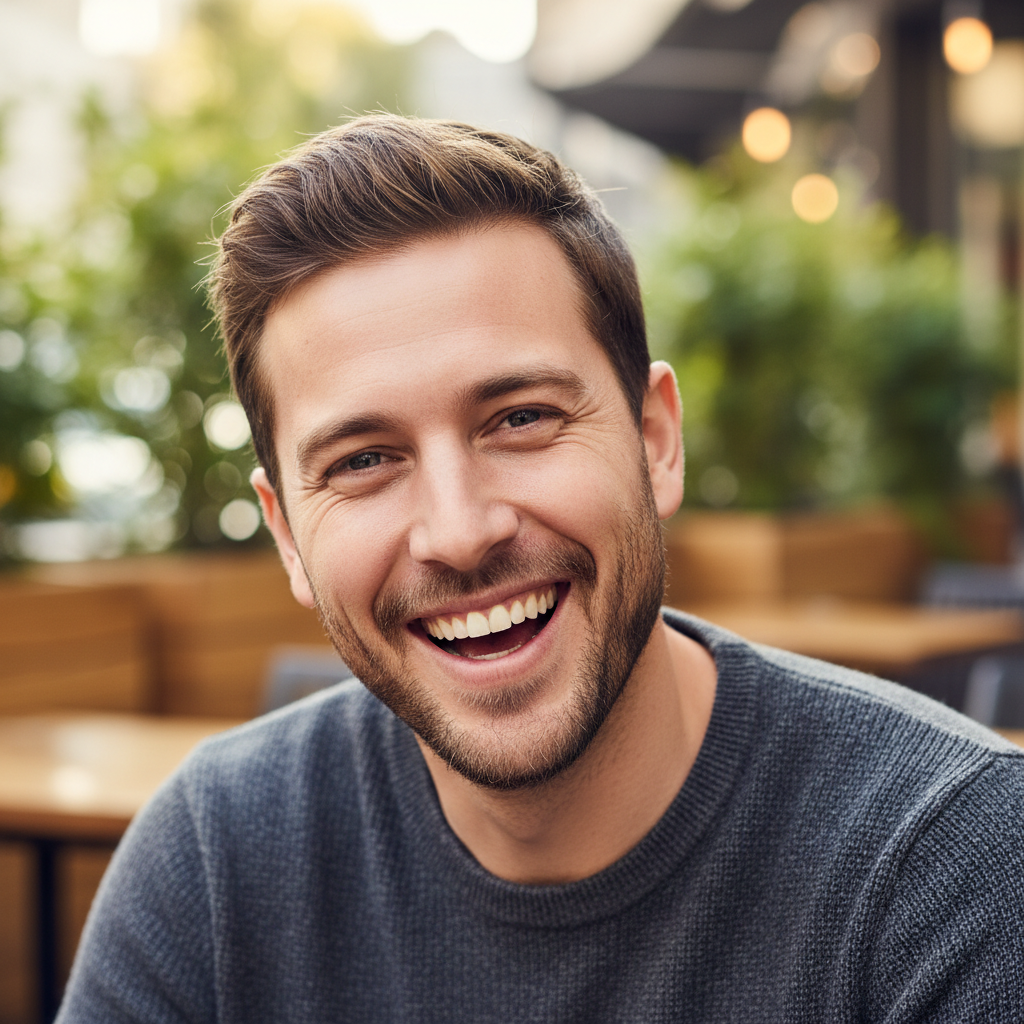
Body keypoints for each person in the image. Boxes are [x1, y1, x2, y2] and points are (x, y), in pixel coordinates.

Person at [59, 115, 1024, 1023]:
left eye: (520, 418)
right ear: (287, 538)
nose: (459, 531)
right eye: (363, 461)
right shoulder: (214, 862)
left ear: (655, 441)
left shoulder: (948, 861)